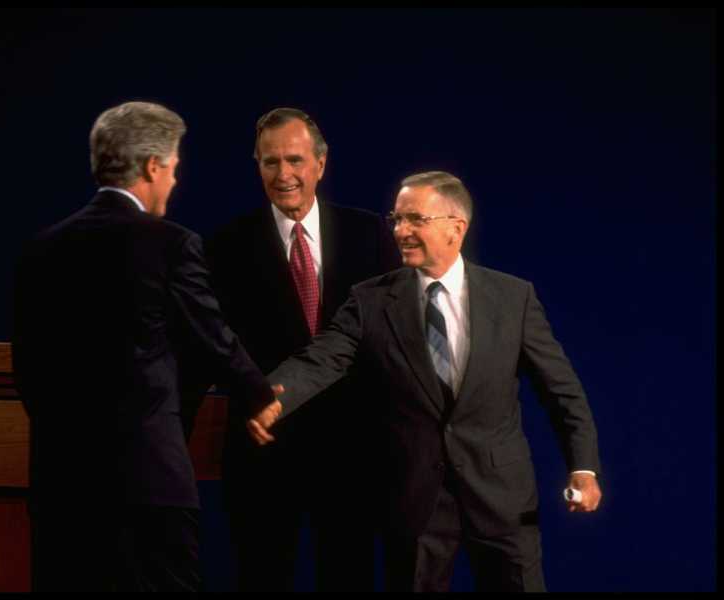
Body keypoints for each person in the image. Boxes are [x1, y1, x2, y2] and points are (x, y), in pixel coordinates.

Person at [248, 171, 602, 592]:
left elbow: (561, 390)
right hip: (414, 498)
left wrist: (583, 466)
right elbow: (321, 358)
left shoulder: (513, 298)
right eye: (396, 219)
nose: (401, 231)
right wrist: (272, 395)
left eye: (415, 219)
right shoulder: (370, 300)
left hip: (501, 496)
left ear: (457, 227)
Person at [11, 101, 274, 592]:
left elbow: (27, 373)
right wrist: (261, 395)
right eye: (173, 169)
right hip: (148, 490)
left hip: (60, 491)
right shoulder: (170, 244)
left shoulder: (40, 249)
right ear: (153, 166)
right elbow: (213, 336)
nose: (174, 182)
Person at [206, 107, 400, 591]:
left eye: (295, 160)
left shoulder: (370, 235)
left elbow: (393, 339)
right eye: (270, 162)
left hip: (352, 451)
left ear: (320, 163)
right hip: (265, 450)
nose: (284, 174)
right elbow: (213, 343)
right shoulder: (223, 248)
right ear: (257, 166)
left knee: (349, 576)